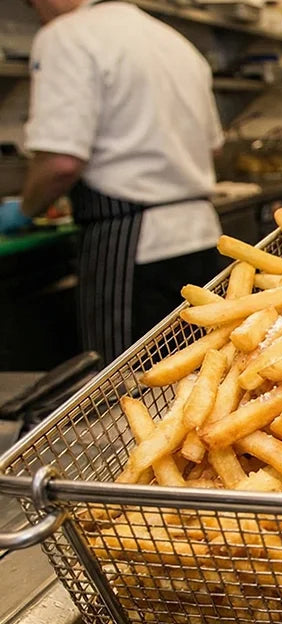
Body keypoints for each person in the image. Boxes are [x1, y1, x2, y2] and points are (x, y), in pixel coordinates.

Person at [0, 0, 224, 363]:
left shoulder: (65, 36)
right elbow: (213, 147)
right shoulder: (176, 42)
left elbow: (61, 162)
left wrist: (25, 209)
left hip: (132, 246)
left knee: (124, 381)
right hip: (202, 238)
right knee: (204, 369)